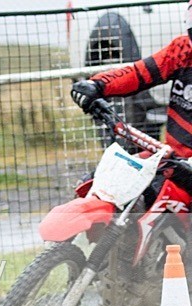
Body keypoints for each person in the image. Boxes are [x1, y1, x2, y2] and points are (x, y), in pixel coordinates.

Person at [70, 1, 192, 203]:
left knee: (156, 198)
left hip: (184, 168)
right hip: (173, 159)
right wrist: (98, 85)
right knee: (99, 180)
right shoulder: (182, 50)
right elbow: (138, 73)